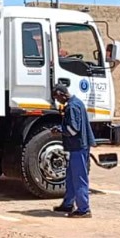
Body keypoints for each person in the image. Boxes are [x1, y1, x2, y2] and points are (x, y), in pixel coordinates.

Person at [51, 82, 96, 218]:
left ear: (61, 94)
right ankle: (68, 204)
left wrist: (59, 130)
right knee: (71, 177)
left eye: (57, 98)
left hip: (78, 147)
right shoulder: (77, 103)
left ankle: (84, 209)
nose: (58, 101)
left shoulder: (72, 107)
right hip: (76, 147)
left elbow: (73, 129)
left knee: (79, 178)